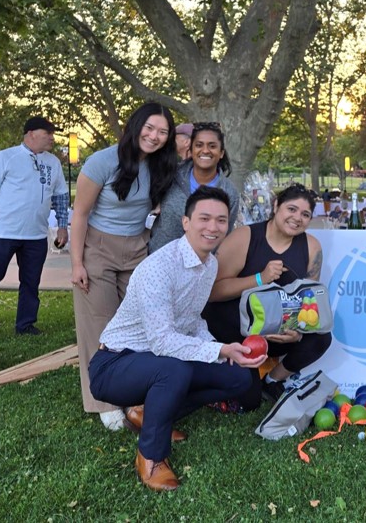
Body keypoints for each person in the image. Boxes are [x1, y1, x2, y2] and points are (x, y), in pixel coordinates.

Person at [89, 187, 265, 492]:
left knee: (238, 378)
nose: (213, 227)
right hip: (115, 364)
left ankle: (147, 413)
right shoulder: (160, 268)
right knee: (174, 369)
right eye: (204, 218)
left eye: (221, 220)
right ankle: (151, 457)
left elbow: (192, 321)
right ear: (186, 222)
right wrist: (219, 347)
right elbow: (162, 343)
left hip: (159, 361)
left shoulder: (209, 264)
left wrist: (226, 354)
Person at [71, 103, 178, 431]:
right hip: (98, 248)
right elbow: (80, 214)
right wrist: (77, 262)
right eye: (149, 128)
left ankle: (134, 392)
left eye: (162, 132)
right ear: (135, 126)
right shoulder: (102, 161)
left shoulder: (162, 164)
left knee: (137, 324)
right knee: (99, 324)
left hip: (136, 249)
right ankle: (102, 402)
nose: (155, 137)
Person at [204, 183, 329, 410]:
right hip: (238, 332)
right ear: (276, 206)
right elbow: (213, 293)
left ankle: (271, 381)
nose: (297, 218)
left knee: (321, 337)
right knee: (248, 401)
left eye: (305, 214)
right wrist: (260, 278)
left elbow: (309, 301)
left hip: (277, 333)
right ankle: (226, 380)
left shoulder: (311, 246)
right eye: (291, 209)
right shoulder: (245, 237)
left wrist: (298, 334)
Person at [0, 117, 69, 335]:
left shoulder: (53, 162)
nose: (52, 138)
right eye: (48, 133)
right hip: (4, 232)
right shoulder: (6, 157)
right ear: (31, 133)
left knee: (31, 282)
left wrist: (62, 226)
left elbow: (61, 196)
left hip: (36, 235)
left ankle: (25, 324)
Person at [148, 122, 242, 253]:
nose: (205, 150)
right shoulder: (169, 177)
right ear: (191, 150)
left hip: (200, 266)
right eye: (199, 145)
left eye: (212, 146)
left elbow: (223, 237)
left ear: (221, 153)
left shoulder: (229, 193)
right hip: (160, 260)